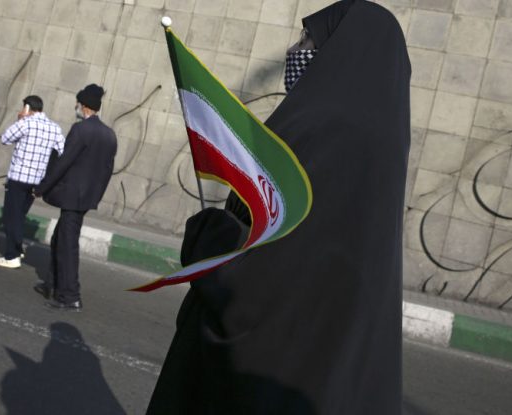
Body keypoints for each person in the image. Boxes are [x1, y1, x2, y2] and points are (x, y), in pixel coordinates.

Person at [147, 1, 411, 414]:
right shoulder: (380, 135)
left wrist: (212, 239)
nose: (294, 50)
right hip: (328, 354)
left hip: (269, 360)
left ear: (342, 52)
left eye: (307, 40)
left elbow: (275, 266)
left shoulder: (322, 128)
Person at [33, 84, 118, 311]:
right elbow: (107, 171)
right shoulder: (109, 135)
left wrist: (41, 188)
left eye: (78, 103)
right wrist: (95, 197)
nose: (76, 107)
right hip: (87, 199)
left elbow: (63, 163)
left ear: (85, 106)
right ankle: (52, 284)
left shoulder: (80, 130)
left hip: (72, 197)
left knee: (67, 246)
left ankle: (70, 296)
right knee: (59, 239)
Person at [0, 95, 64, 269]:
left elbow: (5, 139)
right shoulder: (54, 128)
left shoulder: (25, 123)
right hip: (37, 182)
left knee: (11, 216)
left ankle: (12, 256)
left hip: (19, 178)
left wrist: (20, 120)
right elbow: (62, 151)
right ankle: (16, 250)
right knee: (19, 215)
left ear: (27, 108)